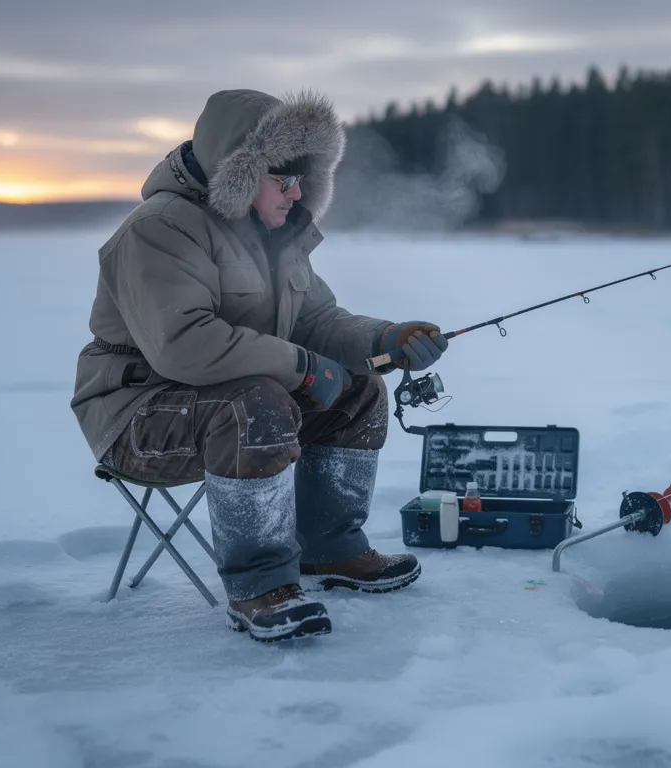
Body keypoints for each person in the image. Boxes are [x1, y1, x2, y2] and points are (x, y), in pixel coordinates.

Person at [70, 88, 449, 643]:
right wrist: (300, 367)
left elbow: (318, 320)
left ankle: (330, 550)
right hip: (135, 415)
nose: (296, 194)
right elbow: (184, 345)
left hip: (225, 405)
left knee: (359, 392)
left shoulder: (277, 235)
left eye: (302, 179)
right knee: (258, 405)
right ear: (240, 171)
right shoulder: (159, 228)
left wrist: (386, 338)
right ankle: (260, 585)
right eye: (283, 179)